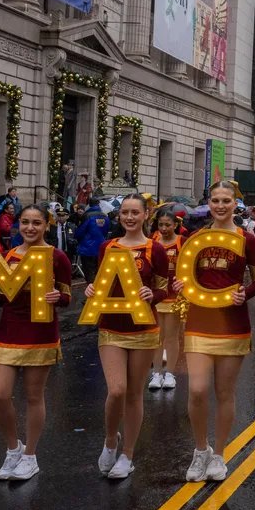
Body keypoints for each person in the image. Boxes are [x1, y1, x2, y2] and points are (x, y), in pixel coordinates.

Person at [0, 203, 72, 481]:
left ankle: (30, 456)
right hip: (9, 332)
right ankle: (13, 448)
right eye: (25, 222)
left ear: (45, 226)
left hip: (41, 332)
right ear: (18, 225)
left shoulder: (57, 257)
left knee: (34, 396)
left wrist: (56, 298)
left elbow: (67, 296)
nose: (30, 228)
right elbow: (3, 297)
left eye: (36, 223)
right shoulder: (8, 255)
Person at [175, 180, 255, 482]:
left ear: (235, 204)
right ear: (209, 203)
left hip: (233, 323)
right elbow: (182, 275)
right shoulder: (195, 237)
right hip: (200, 321)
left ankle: (219, 453)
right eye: (215, 200)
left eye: (226, 201)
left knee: (224, 392)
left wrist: (246, 292)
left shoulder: (247, 238)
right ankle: (199, 450)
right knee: (198, 390)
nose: (220, 205)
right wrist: (179, 287)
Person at [86, 194, 169, 479]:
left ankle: (128, 454)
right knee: (116, 390)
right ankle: (111, 439)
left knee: (134, 394)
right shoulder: (107, 247)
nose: (130, 217)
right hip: (111, 327)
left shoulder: (154, 249)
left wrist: (153, 294)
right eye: (125, 212)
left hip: (144, 330)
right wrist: (91, 291)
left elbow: (164, 288)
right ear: (119, 216)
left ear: (146, 215)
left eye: (135, 212)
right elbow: (101, 282)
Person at [149, 210, 183, 391]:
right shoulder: (152, 242)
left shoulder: (182, 242)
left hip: (174, 296)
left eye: (167, 225)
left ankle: (169, 373)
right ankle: (156, 373)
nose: (163, 228)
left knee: (171, 336)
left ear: (175, 225)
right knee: (156, 337)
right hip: (155, 295)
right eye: (160, 225)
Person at [75, 200, 109, 280]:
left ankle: (91, 289)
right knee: (99, 272)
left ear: (89, 205)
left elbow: (80, 231)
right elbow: (106, 231)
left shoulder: (86, 215)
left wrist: (77, 237)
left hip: (87, 248)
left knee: (89, 273)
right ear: (98, 204)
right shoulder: (105, 216)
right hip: (101, 247)